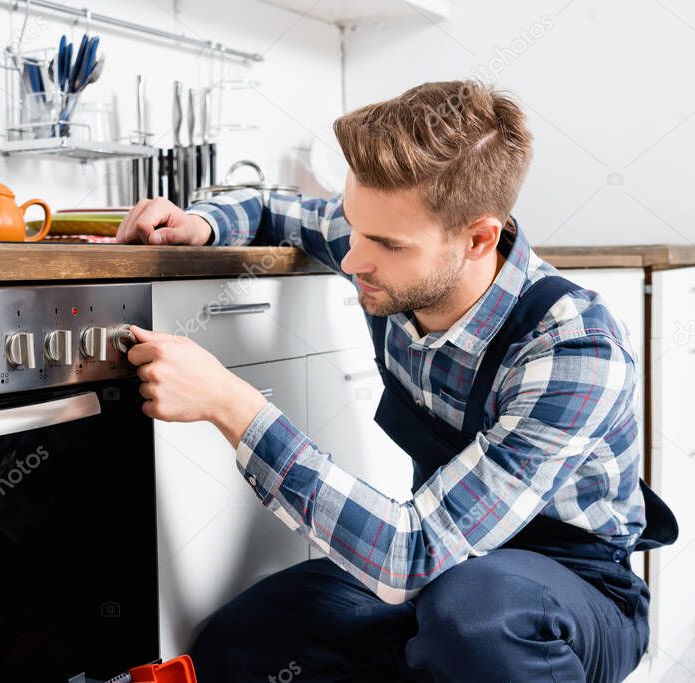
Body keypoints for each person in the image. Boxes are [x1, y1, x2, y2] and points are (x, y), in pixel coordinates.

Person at [114, 80, 677, 682]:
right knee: (243, 641)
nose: (353, 258)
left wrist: (233, 405)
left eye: (383, 243)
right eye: (354, 225)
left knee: (475, 621)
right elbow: (272, 207)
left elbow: (411, 554)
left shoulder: (574, 349)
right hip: (444, 565)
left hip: (568, 591)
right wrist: (202, 222)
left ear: (479, 238)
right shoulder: (387, 242)